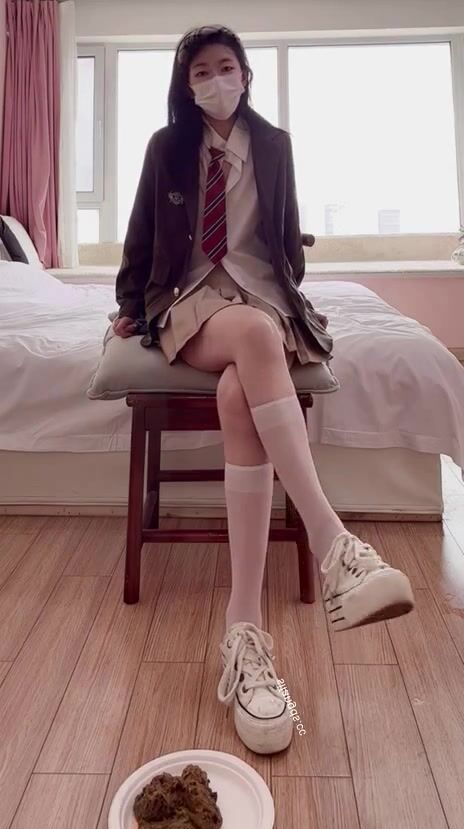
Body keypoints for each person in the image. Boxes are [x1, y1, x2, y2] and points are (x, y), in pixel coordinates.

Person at [113, 25, 414, 756]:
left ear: (245, 75)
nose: (215, 80)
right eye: (201, 72)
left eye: (226, 67)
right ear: (187, 85)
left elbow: (287, 236)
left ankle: (243, 632)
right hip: (189, 298)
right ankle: (334, 542)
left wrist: (280, 294)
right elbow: (142, 234)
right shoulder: (167, 147)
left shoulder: (275, 145)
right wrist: (129, 305)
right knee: (250, 335)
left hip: (260, 297)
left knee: (236, 393)